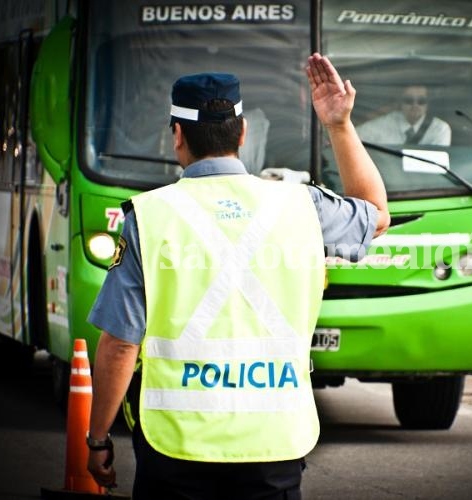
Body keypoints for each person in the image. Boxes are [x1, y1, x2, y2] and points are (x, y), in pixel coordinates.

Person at [85, 52, 389, 499]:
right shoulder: (302, 206)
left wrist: (97, 439)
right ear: (243, 133)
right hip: (275, 443)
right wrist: (339, 125)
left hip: (176, 447)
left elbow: (121, 344)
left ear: (176, 135)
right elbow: (376, 214)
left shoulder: (149, 216)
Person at [356, 85, 451, 146]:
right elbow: (353, 138)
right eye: (409, 100)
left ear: (427, 104)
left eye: (421, 101)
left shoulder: (440, 129)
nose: (415, 105)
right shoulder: (386, 122)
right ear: (400, 103)